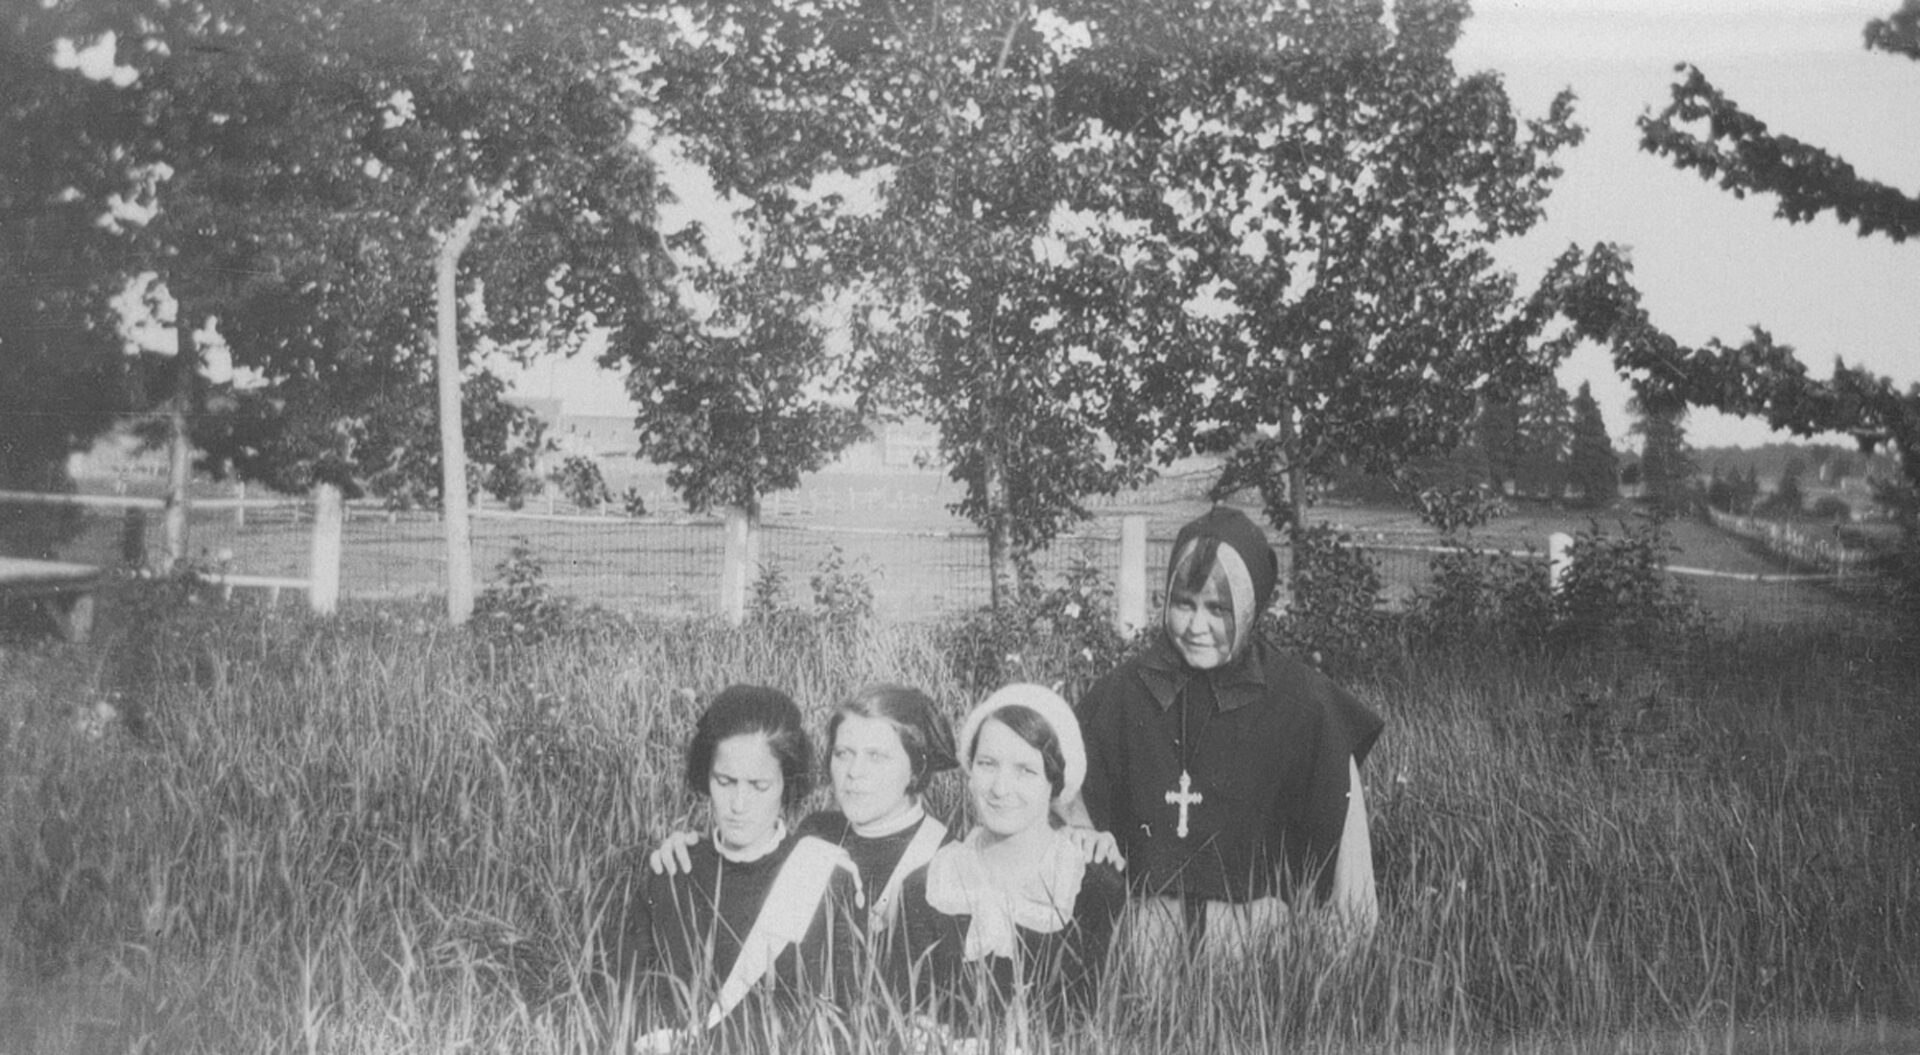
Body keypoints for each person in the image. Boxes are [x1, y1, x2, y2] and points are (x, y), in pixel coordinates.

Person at [1068, 506, 1385, 965]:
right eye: (1183, 603)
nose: (1197, 627)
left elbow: (1349, 865)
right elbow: (1070, 804)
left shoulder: (1307, 704)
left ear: (1252, 606)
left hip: (1258, 953)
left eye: (1218, 609)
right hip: (1140, 953)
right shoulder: (1123, 692)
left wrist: (1341, 951)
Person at [602, 684, 861, 1048]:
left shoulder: (820, 877)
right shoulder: (672, 875)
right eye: (725, 782)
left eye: (759, 786)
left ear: (787, 785)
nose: (738, 804)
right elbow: (626, 1004)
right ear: (706, 777)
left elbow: (843, 1019)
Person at [897, 684, 1127, 1043]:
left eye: (1025, 770)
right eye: (987, 764)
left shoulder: (1093, 890)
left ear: (1055, 782)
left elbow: (1101, 1027)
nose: (1001, 788)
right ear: (969, 769)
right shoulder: (928, 888)